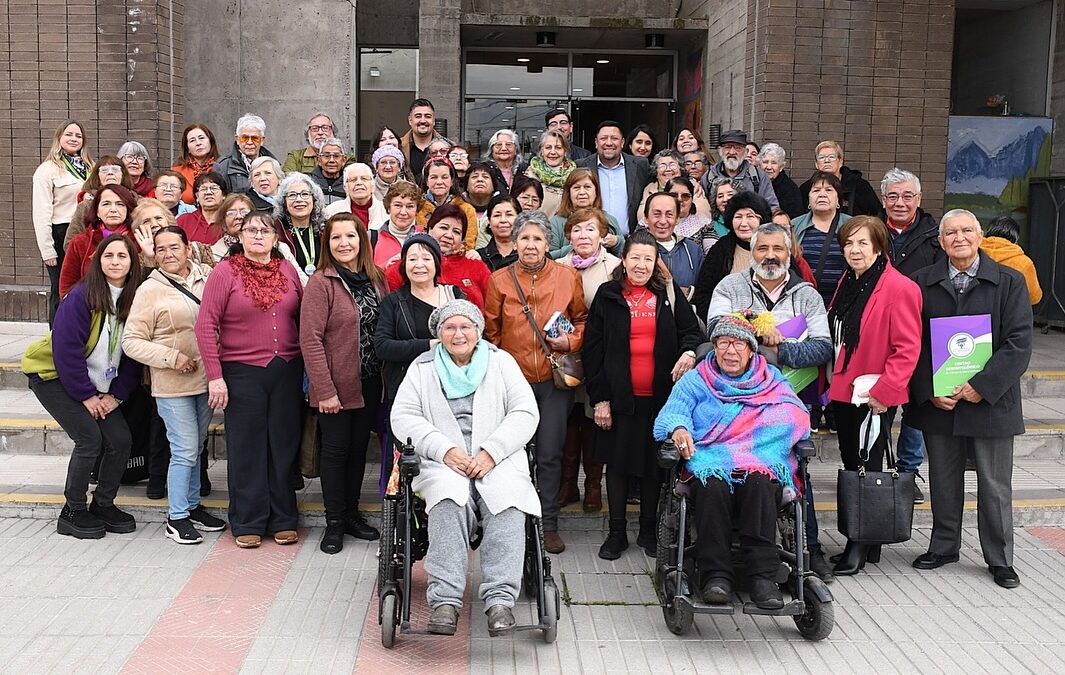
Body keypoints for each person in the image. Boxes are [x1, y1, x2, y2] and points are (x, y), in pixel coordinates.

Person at [391, 299, 541, 636]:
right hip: (444, 462)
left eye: (465, 326)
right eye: (450, 327)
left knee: (507, 503)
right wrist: (444, 450)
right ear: (439, 333)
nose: (458, 334)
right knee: (448, 502)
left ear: (478, 330)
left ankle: (500, 601)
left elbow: (525, 412)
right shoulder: (422, 367)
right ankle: (445, 602)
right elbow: (403, 416)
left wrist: (492, 451)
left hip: (497, 460)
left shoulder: (501, 362)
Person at [908, 210, 1033, 589]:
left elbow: (1019, 344)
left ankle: (1000, 558)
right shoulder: (921, 283)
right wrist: (929, 389)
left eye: (966, 231)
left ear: (980, 237)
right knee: (943, 480)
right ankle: (944, 546)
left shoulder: (1010, 281)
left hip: (991, 402)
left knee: (994, 486)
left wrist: (982, 385)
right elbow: (912, 344)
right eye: (950, 232)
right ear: (940, 241)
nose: (958, 238)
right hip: (942, 401)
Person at [653, 314, 811, 609]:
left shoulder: (772, 379)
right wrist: (679, 428)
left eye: (739, 344)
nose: (731, 351)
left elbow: (794, 416)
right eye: (724, 343)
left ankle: (763, 577)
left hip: (759, 457)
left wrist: (753, 445)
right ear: (714, 347)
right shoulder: (697, 379)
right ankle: (716, 576)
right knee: (711, 485)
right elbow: (673, 411)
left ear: (751, 350)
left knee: (759, 482)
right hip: (710, 457)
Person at [705, 222, 834, 581]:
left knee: (796, 472)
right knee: (739, 470)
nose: (770, 256)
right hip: (734, 401)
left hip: (786, 402)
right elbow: (716, 331)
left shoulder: (807, 295)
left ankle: (810, 549)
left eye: (778, 249)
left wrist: (779, 350)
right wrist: (760, 329)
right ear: (752, 253)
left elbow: (823, 347)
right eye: (763, 249)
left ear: (789, 253)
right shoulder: (730, 287)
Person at [585, 230, 703, 559]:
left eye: (648, 259)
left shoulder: (667, 293)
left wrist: (688, 352)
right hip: (619, 397)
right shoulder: (608, 294)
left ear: (656, 263)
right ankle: (616, 533)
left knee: (654, 466)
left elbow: (691, 331)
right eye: (635, 257)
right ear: (623, 260)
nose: (641, 265)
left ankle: (649, 530)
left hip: (659, 398)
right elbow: (592, 349)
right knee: (618, 465)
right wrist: (600, 399)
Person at [195, 212, 304, 549]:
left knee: (283, 445)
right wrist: (215, 377)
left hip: (286, 369)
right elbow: (205, 325)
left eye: (265, 230)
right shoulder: (224, 272)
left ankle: (283, 518)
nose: (258, 235)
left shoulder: (288, 270)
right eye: (251, 230)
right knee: (247, 447)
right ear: (240, 236)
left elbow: (303, 315)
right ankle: (248, 520)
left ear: (275, 237)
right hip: (241, 371)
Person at [25, 234, 142, 539]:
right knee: (89, 439)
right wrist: (87, 396)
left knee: (120, 439)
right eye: (108, 256)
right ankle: (73, 510)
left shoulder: (135, 299)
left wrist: (116, 396)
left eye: (122, 256)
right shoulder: (81, 296)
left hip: (98, 383)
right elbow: (67, 353)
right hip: (53, 376)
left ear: (132, 263)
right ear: (98, 261)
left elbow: (133, 354)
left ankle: (103, 504)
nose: (115, 262)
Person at [484, 210, 587, 554]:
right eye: (524, 238)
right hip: (513, 382)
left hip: (554, 381)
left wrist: (570, 341)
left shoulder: (567, 276)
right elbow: (491, 333)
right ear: (514, 242)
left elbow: (582, 320)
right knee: (511, 453)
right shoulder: (499, 280)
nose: (530, 244)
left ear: (548, 244)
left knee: (549, 453)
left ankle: (548, 524)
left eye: (537, 238)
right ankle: (512, 520)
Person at [826, 216, 922, 576]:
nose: (854, 250)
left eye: (862, 243)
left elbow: (907, 349)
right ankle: (869, 541)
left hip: (873, 394)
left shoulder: (899, 287)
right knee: (853, 459)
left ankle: (859, 543)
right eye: (849, 243)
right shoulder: (849, 281)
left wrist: (885, 393)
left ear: (879, 247)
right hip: (844, 389)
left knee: (866, 465)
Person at [122, 226, 227, 544]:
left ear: (187, 248)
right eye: (161, 249)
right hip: (171, 384)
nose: (168, 254)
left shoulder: (208, 277)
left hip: (206, 380)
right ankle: (176, 517)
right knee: (184, 449)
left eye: (174, 247)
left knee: (196, 446)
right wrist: (171, 357)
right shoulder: (149, 289)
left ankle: (192, 507)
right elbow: (131, 341)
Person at [301, 213, 388, 554]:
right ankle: (334, 522)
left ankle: (351, 515)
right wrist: (324, 390)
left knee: (357, 451)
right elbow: (310, 340)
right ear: (328, 243)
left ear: (361, 240)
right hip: (334, 386)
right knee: (336, 454)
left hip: (369, 383)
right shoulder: (321, 282)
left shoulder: (376, 278)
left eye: (350, 236)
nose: (343, 243)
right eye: (336, 237)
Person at [375, 233, 466, 492]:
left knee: (446, 454)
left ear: (436, 263)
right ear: (403, 264)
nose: (419, 264)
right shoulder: (394, 302)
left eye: (426, 258)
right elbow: (382, 346)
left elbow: (472, 337)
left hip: (450, 389)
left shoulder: (454, 295)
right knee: (408, 455)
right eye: (412, 258)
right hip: (407, 391)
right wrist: (428, 345)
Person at [878, 167, 942, 499]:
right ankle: (875, 471)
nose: (900, 203)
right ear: (883, 200)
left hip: (922, 332)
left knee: (916, 407)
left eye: (907, 196)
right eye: (893, 196)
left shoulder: (935, 235)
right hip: (879, 333)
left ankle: (907, 472)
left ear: (919, 198)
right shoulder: (871, 230)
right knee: (879, 404)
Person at [556, 207, 621, 511]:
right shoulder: (557, 266)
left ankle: (593, 484)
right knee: (569, 419)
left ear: (603, 235)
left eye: (590, 229)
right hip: (563, 356)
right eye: (577, 229)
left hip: (600, 358)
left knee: (593, 418)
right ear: (569, 235)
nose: (583, 235)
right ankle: (568, 483)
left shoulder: (615, 267)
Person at [33, 120, 94, 324]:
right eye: (69, 134)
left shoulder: (91, 167)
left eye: (78, 135)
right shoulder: (47, 170)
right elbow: (41, 212)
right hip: (61, 234)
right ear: (59, 138)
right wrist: (47, 250)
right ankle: (57, 337)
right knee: (61, 291)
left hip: (87, 232)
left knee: (86, 288)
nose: (74, 139)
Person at [388, 204, 491, 309]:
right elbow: (389, 307)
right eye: (444, 227)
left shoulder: (475, 265)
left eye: (456, 232)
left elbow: (491, 309)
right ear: (430, 228)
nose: (449, 235)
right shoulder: (405, 265)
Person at [692, 191, 773, 321]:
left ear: (761, 220)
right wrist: (722, 322)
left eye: (750, 216)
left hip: (771, 325)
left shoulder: (775, 247)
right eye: (738, 216)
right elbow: (704, 294)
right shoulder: (720, 250)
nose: (743, 223)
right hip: (728, 325)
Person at [60, 185, 139, 297]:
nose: (113, 209)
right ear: (97, 211)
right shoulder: (80, 242)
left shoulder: (138, 239)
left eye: (120, 204)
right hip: (89, 303)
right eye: (106, 204)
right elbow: (67, 284)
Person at [575, 120, 651, 237]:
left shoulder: (640, 165)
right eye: (603, 138)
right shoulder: (581, 165)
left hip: (630, 240)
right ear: (596, 142)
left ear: (622, 142)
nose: (609, 143)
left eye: (614, 138)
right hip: (593, 239)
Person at [792, 171, 852, 307]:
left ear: (838, 199)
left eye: (829, 190)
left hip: (843, 303)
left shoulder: (853, 226)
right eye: (816, 190)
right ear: (809, 198)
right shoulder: (794, 225)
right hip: (802, 303)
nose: (822, 194)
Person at [62, 156, 136, 250]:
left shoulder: (137, 202)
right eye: (104, 170)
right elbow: (70, 244)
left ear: (123, 174)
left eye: (115, 169)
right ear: (97, 176)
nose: (110, 173)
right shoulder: (86, 206)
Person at [548, 168, 621, 259]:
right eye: (576, 188)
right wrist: (577, 246)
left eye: (587, 187)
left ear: (596, 192)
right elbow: (549, 256)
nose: (582, 192)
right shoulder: (557, 222)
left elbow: (626, 254)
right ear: (568, 193)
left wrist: (616, 242)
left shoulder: (609, 220)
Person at [645, 193, 704, 298]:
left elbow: (703, 290)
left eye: (669, 215)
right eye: (657, 214)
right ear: (646, 218)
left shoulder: (692, 250)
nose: (663, 221)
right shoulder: (635, 249)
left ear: (677, 219)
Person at [799, 141, 880, 217]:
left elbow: (876, 214)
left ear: (840, 161)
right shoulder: (807, 188)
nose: (827, 160)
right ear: (816, 164)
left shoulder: (859, 186)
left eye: (832, 157)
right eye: (821, 157)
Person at [703, 129, 779, 209]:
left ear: (746, 151)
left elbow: (772, 207)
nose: (732, 152)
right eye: (727, 147)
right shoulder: (709, 177)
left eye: (737, 148)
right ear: (720, 150)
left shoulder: (759, 176)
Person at [415, 158, 479, 251]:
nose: (439, 182)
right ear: (427, 181)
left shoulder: (467, 209)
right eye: (434, 177)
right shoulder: (417, 208)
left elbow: (468, 244)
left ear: (452, 181)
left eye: (444, 177)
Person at [636, 149, 711, 226]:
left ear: (681, 169)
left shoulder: (692, 186)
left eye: (672, 165)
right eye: (662, 165)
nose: (668, 169)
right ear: (656, 171)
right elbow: (642, 216)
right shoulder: (649, 188)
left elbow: (704, 216)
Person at [275, 173, 326, 279]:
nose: (298, 199)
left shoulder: (325, 229)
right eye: (292, 195)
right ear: (284, 202)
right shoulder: (277, 231)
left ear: (314, 199)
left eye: (305, 194)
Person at [981, 215, 1042, 305]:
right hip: (1009, 311)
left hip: (976, 310)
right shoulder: (1024, 262)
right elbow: (1034, 298)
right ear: (1016, 236)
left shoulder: (972, 254)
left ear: (989, 231)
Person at [212, 114, 276, 194]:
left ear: (262, 140)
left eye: (255, 138)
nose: (249, 142)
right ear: (237, 140)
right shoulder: (223, 167)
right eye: (244, 138)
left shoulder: (273, 165)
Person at [525, 130, 575, 219]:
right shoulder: (530, 174)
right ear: (541, 151)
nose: (553, 152)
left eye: (558, 148)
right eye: (548, 147)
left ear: (565, 151)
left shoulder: (574, 176)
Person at [324, 163, 387, 231]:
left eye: (364, 179)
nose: (359, 183)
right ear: (345, 187)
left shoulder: (386, 210)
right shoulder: (332, 211)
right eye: (353, 180)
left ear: (373, 185)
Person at [374, 182, 422, 268]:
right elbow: (363, 272)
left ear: (417, 210)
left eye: (410, 206)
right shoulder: (372, 238)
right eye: (398, 205)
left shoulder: (426, 237)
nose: (403, 212)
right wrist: (385, 267)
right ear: (389, 208)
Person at [172, 123, 220, 204]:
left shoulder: (222, 167)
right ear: (187, 148)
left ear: (210, 142)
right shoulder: (176, 172)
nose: (198, 143)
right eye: (192, 140)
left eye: (201, 138)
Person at [666, 176, 715, 253]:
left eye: (685, 196)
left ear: (692, 199)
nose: (679, 199)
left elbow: (713, 253)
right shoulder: (652, 223)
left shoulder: (705, 225)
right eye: (674, 195)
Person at [177, 172, 227, 245]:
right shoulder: (184, 220)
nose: (208, 192)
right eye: (203, 189)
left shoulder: (229, 221)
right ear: (197, 196)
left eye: (214, 188)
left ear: (224, 195)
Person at [401, 98, 445, 177]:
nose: (423, 121)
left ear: (434, 121)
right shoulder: (398, 147)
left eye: (428, 116)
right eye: (418, 116)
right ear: (410, 120)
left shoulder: (449, 148)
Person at [477, 195, 521, 272]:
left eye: (509, 215)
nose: (503, 220)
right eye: (497, 215)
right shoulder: (479, 257)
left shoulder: (529, 254)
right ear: (489, 221)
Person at [759, 143, 803, 218]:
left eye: (774, 163)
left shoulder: (790, 190)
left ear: (781, 167)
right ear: (759, 164)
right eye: (765, 162)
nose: (769, 167)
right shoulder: (753, 181)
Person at [209, 194, 254, 263]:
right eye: (231, 213)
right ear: (223, 222)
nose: (238, 216)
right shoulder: (214, 254)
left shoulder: (265, 246)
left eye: (244, 212)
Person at [307, 137, 348, 205]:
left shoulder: (348, 183)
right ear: (319, 160)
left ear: (343, 160)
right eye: (326, 156)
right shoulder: (309, 182)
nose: (331, 160)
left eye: (336, 156)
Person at [707, 176, 743, 241]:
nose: (725, 199)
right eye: (720, 196)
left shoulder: (750, 221)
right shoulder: (710, 226)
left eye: (730, 194)